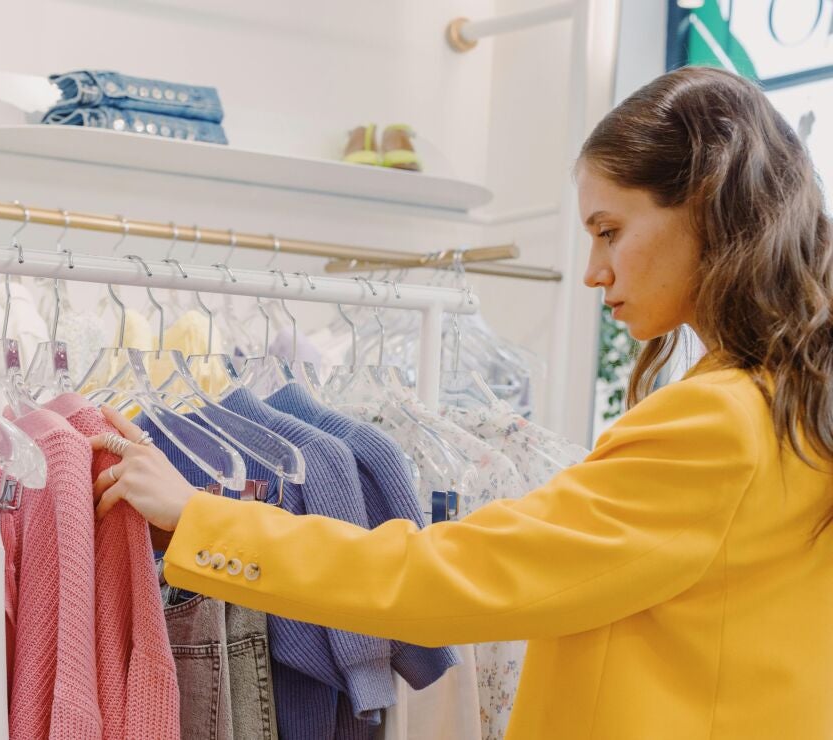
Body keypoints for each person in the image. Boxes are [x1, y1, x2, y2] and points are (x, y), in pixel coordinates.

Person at [85, 66, 833, 739]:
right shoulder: (795, 408)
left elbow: (448, 574)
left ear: (703, 206)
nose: (594, 272)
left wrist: (201, 517)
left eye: (610, 231)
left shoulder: (718, 427)